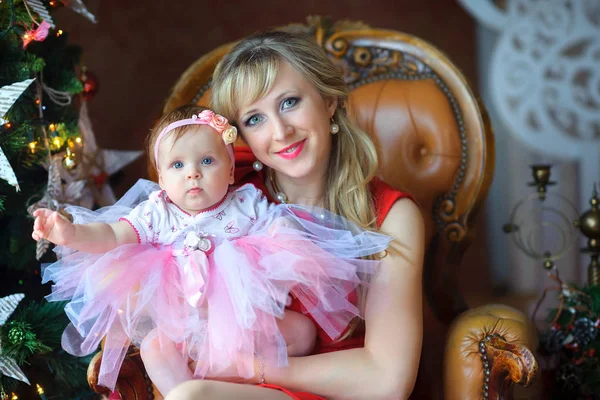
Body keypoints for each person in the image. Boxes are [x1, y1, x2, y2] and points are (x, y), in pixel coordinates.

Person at [31, 105, 391, 396]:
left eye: (207, 161)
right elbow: (111, 234)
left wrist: (287, 236)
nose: (193, 174)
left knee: (302, 333)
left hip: (247, 326)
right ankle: (183, 393)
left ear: (232, 170)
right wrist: (71, 232)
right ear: (161, 179)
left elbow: (278, 224)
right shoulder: (156, 212)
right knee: (156, 347)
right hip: (185, 328)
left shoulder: (245, 202)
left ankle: (240, 381)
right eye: (177, 165)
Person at [163, 30, 425, 400]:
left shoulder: (392, 216)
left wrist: (254, 369)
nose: (280, 131)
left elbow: (388, 380)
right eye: (254, 119)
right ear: (240, 137)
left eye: (289, 102)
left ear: (329, 100)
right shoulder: (224, 192)